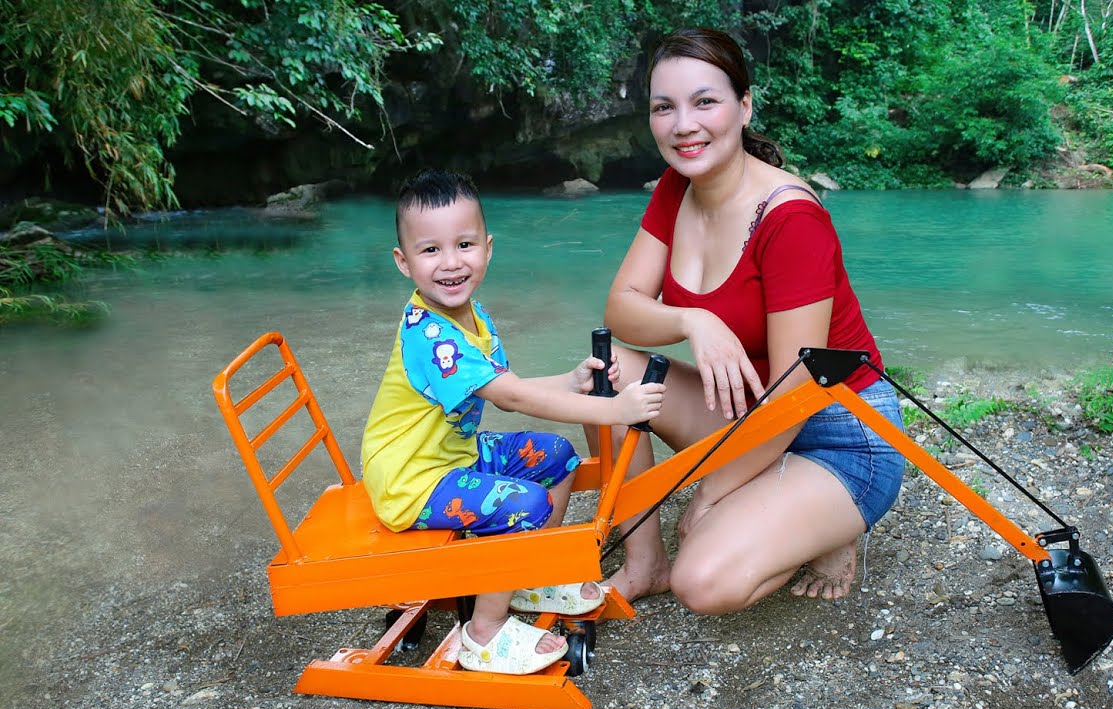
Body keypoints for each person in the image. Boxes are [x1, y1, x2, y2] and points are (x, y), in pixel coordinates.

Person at [594, 27, 906, 613]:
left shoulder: (790, 219)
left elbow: (796, 391)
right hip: (746, 408)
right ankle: (645, 563)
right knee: (605, 372)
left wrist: (712, 491)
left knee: (705, 583)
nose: (684, 124)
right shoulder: (677, 185)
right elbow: (621, 310)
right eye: (665, 107)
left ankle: (831, 528)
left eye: (704, 101)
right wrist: (693, 321)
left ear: (744, 106)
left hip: (839, 432)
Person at [361, 170, 666, 674]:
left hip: (449, 457)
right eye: (430, 250)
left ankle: (526, 573)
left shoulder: (472, 316)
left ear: (488, 246)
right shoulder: (430, 335)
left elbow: (508, 387)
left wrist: (572, 382)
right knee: (526, 504)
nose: (452, 263)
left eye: (464, 244)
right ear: (403, 261)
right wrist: (614, 410)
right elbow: (514, 396)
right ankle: (483, 634)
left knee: (557, 455)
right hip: (411, 480)